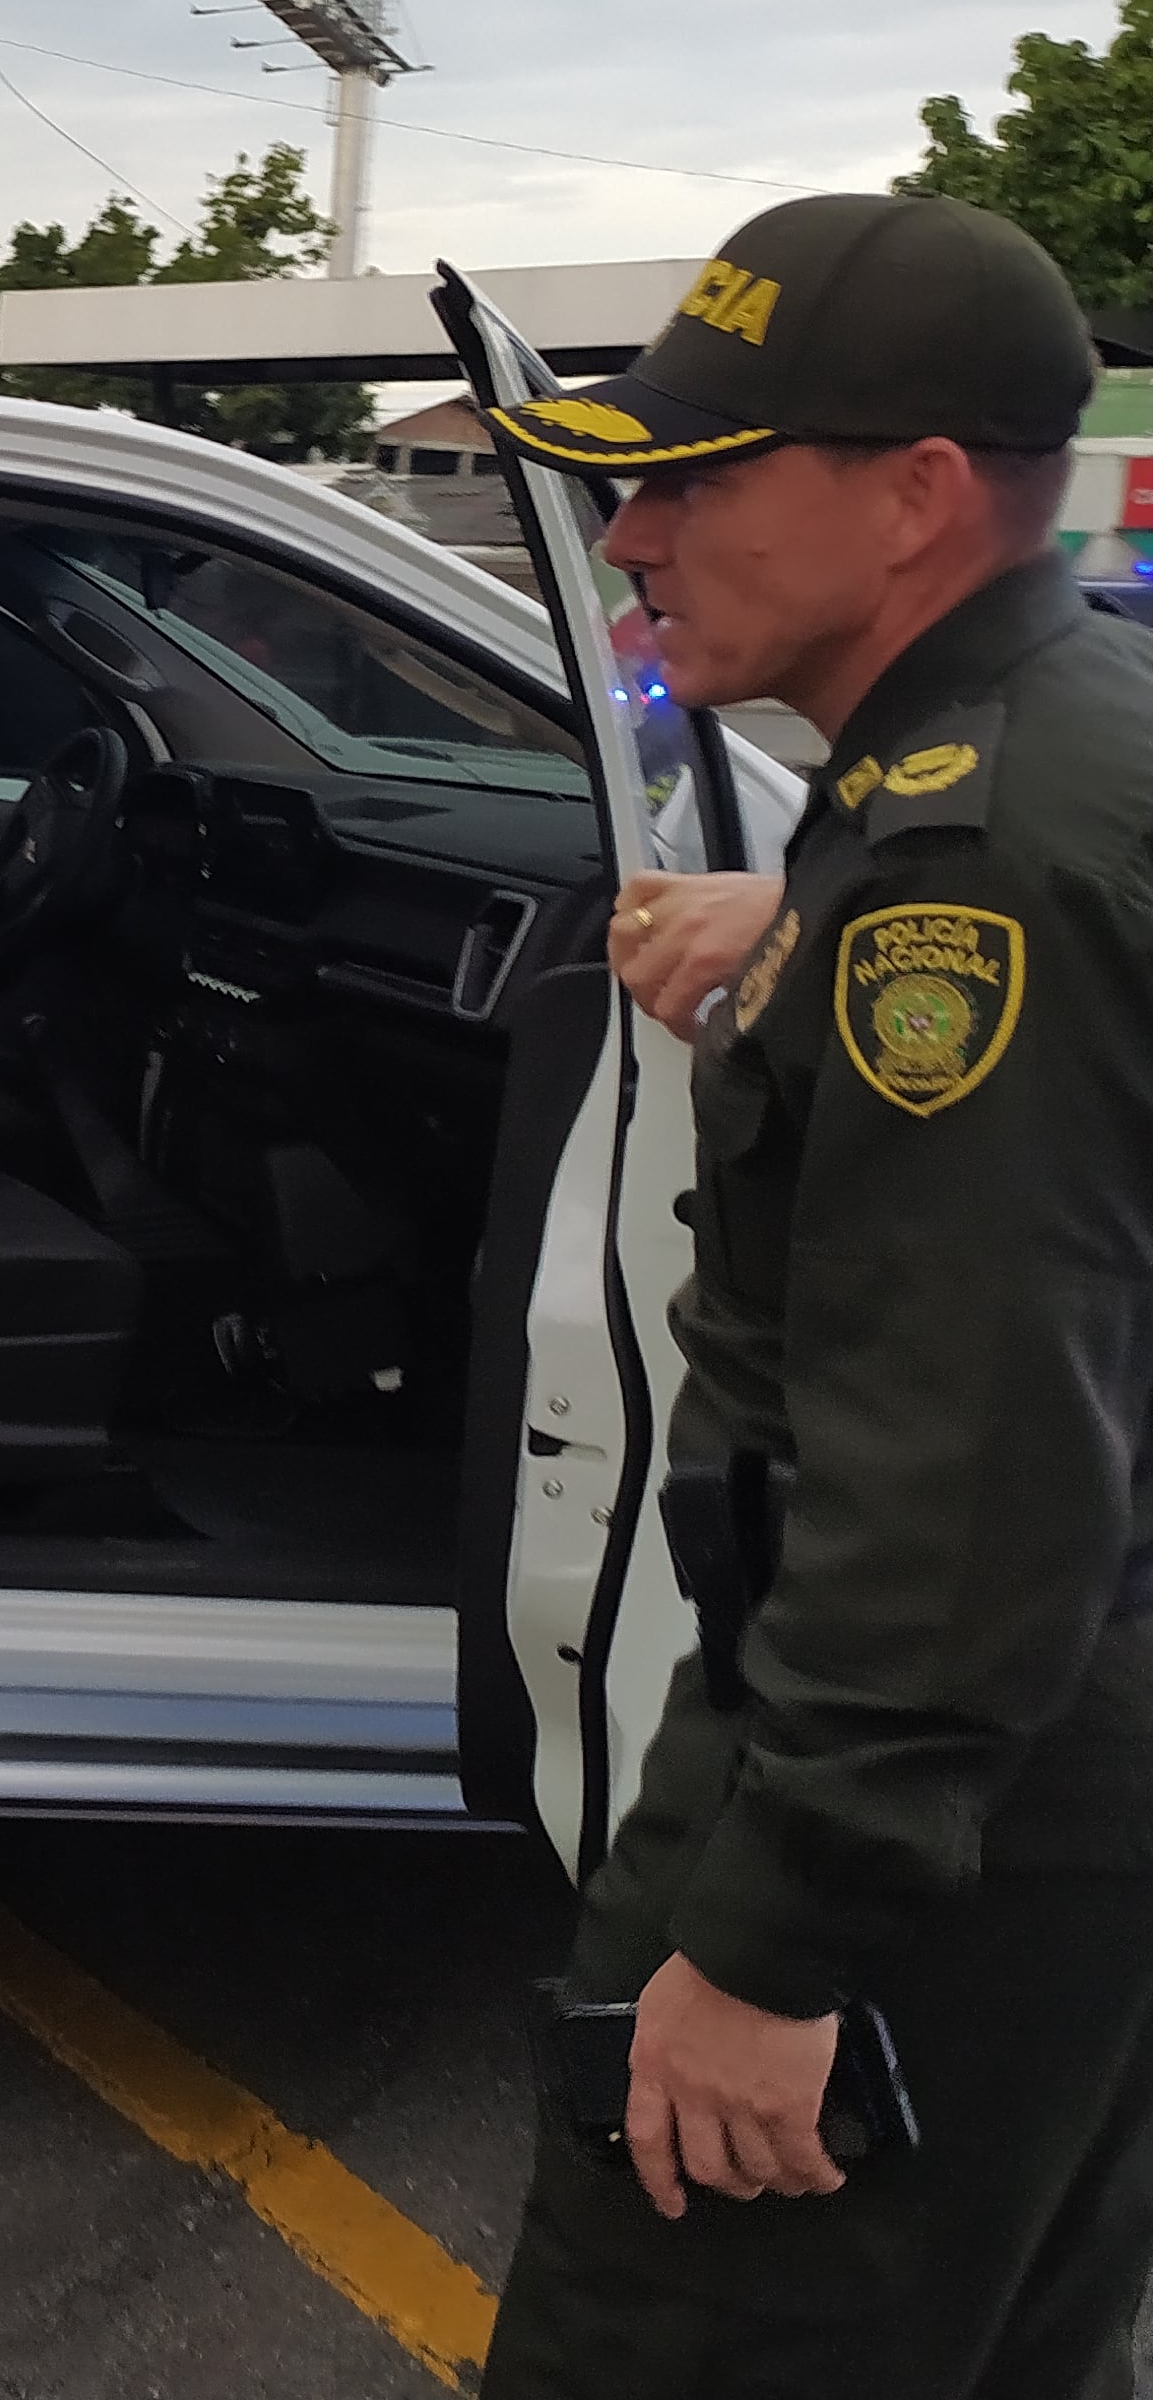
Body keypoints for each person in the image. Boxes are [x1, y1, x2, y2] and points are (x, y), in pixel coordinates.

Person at [472, 193, 1153, 2396]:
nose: (633, 530)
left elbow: (960, 1473)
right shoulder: (1055, 735)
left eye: (692, 474)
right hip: (1066, 1780)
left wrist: (771, 1947)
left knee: (678, 2332)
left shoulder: (959, 873)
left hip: (931, 1814)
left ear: (914, 498)